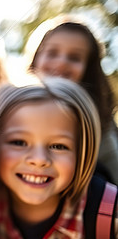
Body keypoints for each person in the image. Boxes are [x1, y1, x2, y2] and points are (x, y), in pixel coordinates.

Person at [0, 77, 118, 239]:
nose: (39, 159)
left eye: (58, 145)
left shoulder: (109, 215)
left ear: (82, 151)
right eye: (19, 142)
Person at [28, 21, 118, 185]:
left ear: (88, 68)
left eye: (74, 57)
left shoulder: (101, 126)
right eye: (52, 52)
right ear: (36, 57)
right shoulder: (10, 109)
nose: (61, 62)